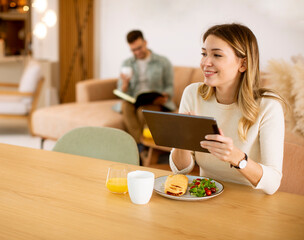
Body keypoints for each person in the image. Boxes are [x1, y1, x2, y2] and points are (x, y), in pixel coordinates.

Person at [169, 23, 286, 195]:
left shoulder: (269, 106)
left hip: (250, 204)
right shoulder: (193, 94)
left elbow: (273, 183)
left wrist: (237, 158)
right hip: (207, 196)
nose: (205, 62)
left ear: (243, 64)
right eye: (204, 54)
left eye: (217, 55)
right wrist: (181, 142)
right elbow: (181, 170)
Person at [116, 30, 176, 145]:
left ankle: (139, 148)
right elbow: (120, 90)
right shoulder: (127, 64)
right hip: (134, 99)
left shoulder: (162, 62)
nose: (137, 52)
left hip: (153, 101)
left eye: (139, 48)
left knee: (141, 112)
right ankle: (141, 146)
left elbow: (169, 86)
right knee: (125, 106)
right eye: (133, 50)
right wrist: (124, 84)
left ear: (145, 42)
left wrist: (165, 95)